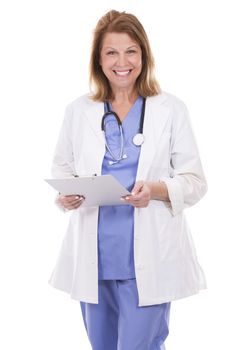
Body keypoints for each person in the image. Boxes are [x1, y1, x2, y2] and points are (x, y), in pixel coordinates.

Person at [49, 9, 207, 350]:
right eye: (111, 52)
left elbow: (195, 182)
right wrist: (67, 196)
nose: (123, 61)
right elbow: (62, 171)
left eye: (131, 51)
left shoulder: (170, 109)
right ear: (99, 60)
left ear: (144, 55)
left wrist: (155, 189)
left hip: (148, 255)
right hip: (95, 258)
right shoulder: (78, 111)